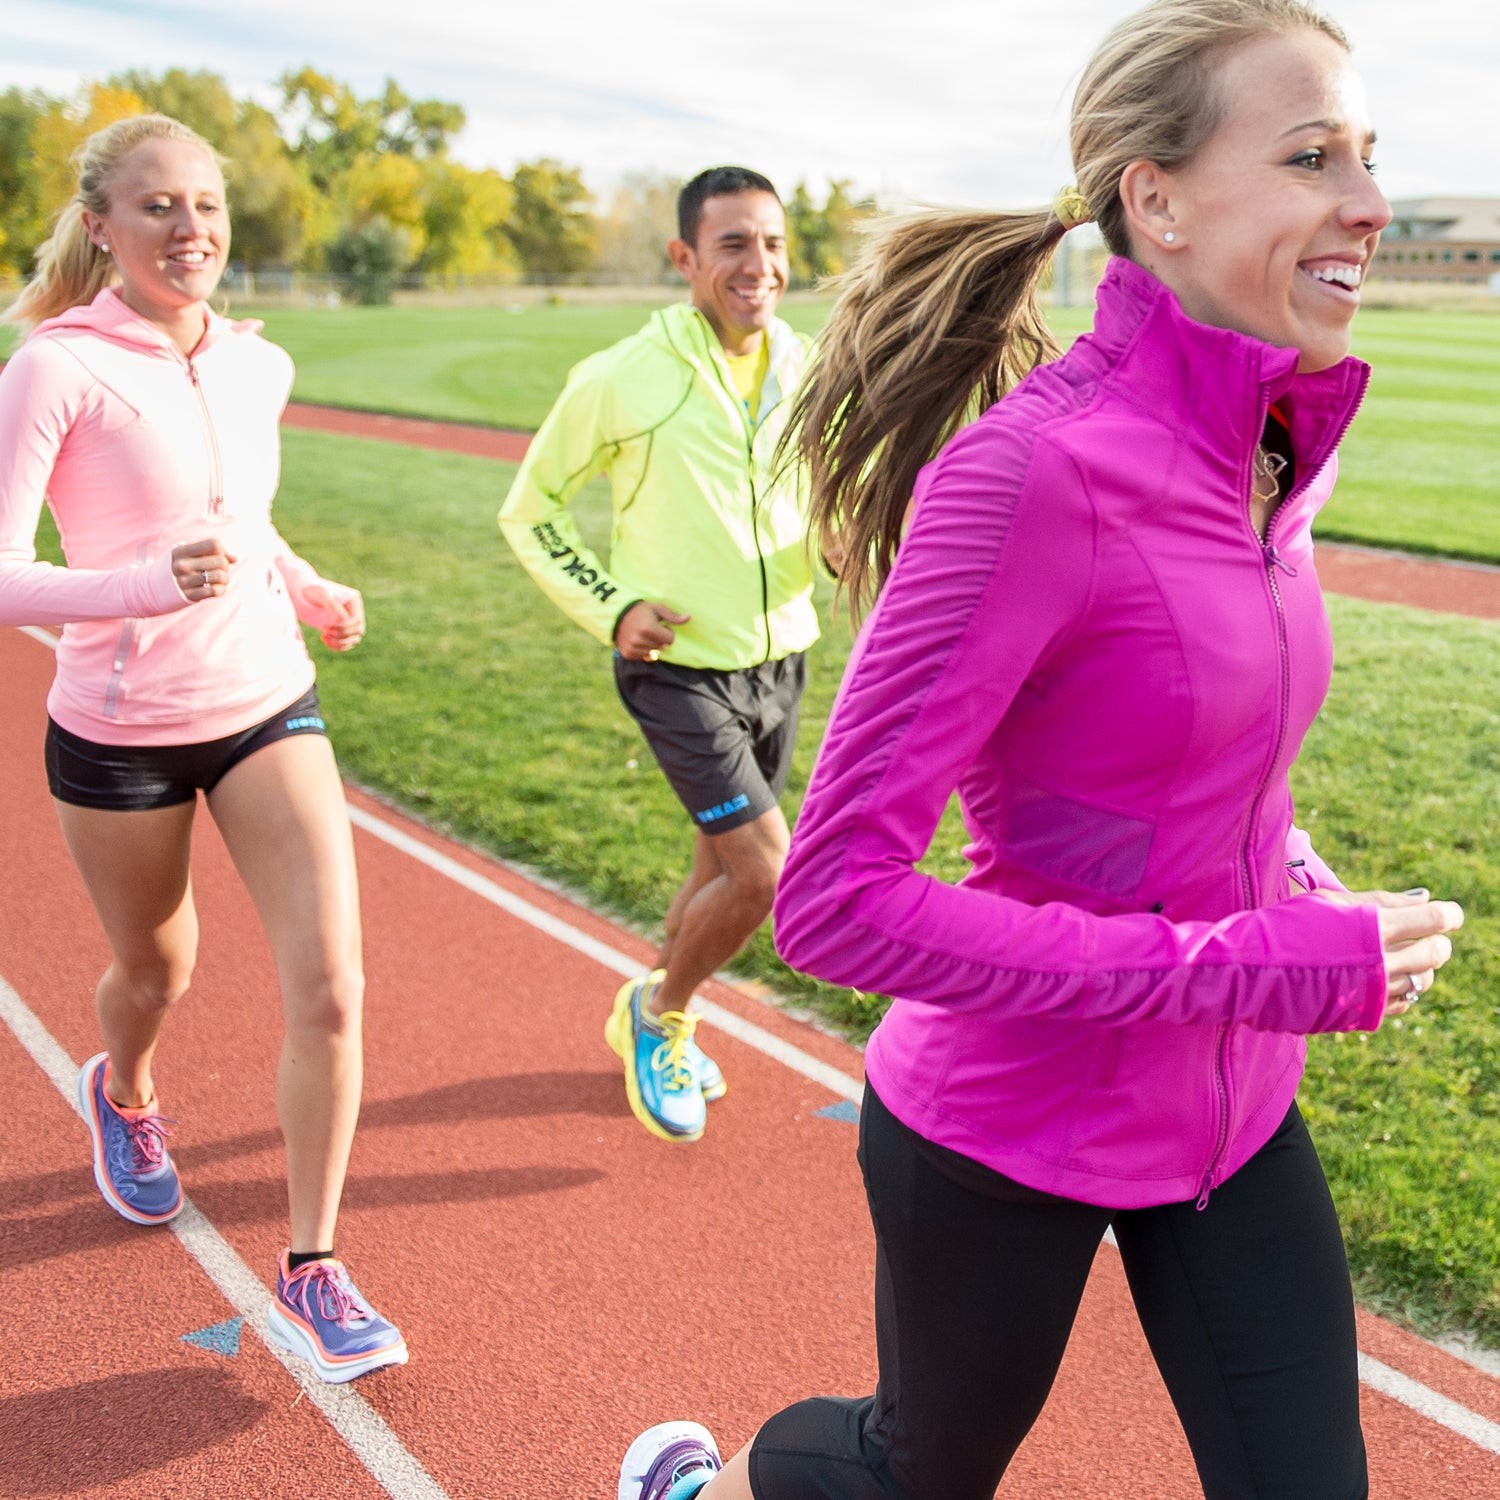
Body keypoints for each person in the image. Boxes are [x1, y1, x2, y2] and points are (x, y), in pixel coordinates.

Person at [618, 2, 1465, 1496]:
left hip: (1232, 1105)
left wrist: (1305, 886)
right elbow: (834, 901)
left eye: (1368, 156)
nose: (1369, 204)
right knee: (911, 1478)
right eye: (1311, 156)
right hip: (1012, 1119)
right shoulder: (1029, 475)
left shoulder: (1271, 448)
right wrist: (1250, 964)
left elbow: (1216, 767)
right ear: (1159, 200)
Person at [0, 115, 406, 1384]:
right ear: (101, 225)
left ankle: (312, 1270)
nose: (192, 231)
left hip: (264, 699)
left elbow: (246, 518)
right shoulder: (52, 369)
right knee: (155, 970)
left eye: (209, 207)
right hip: (119, 729)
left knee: (331, 985)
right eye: (160, 207)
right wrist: (137, 584)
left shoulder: (254, 364)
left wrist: (306, 582)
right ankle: (123, 1090)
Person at [499, 167, 819, 1145]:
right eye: (732, 244)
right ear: (685, 259)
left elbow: (825, 496)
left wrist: (841, 535)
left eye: (770, 242)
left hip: (780, 661)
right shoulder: (621, 378)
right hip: (676, 667)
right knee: (764, 875)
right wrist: (612, 605)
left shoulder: (807, 367)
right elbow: (532, 507)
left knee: (717, 873)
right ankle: (663, 1012)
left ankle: (657, 999)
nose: (757, 265)